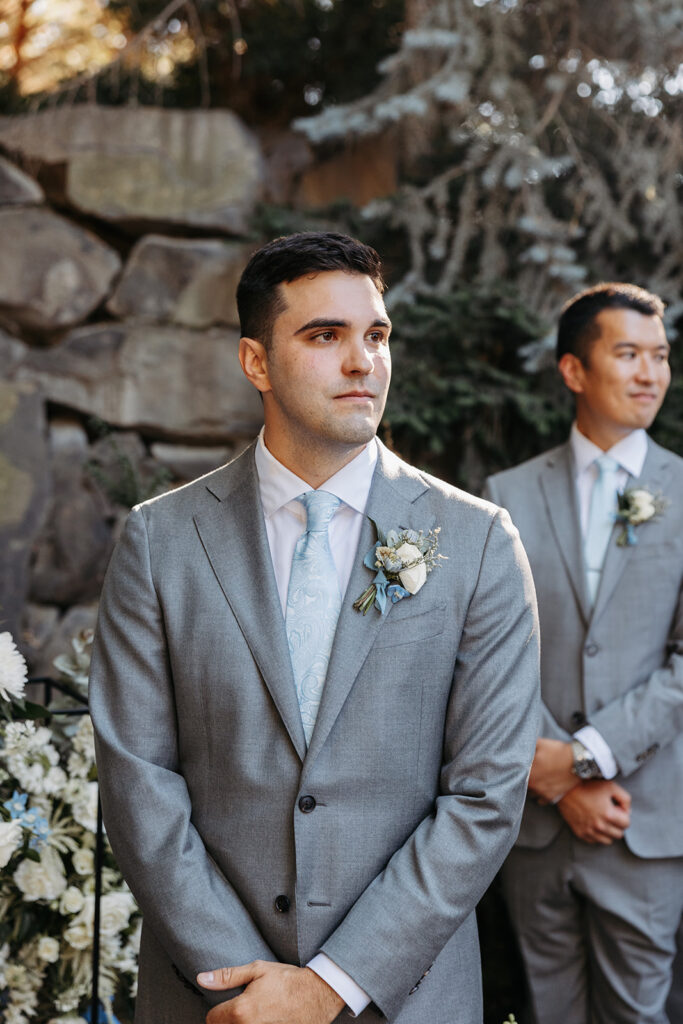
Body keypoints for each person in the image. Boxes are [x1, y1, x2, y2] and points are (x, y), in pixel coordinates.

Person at [89, 231, 540, 1024]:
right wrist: (241, 982)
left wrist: (332, 984)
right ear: (255, 362)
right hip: (213, 1001)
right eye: (324, 335)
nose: (362, 361)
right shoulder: (160, 540)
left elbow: (484, 793)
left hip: (405, 998)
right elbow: (137, 780)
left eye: (375, 334)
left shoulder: (476, 543)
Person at [484, 282, 683, 1024]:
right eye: (626, 353)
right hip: (535, 822)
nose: (648, 374)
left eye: (658, 356)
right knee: (546, 1012)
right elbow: (489, 650)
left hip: (644, 819)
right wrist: (554, 778)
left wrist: (588, 758)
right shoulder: (503, 495)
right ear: (573, 370)